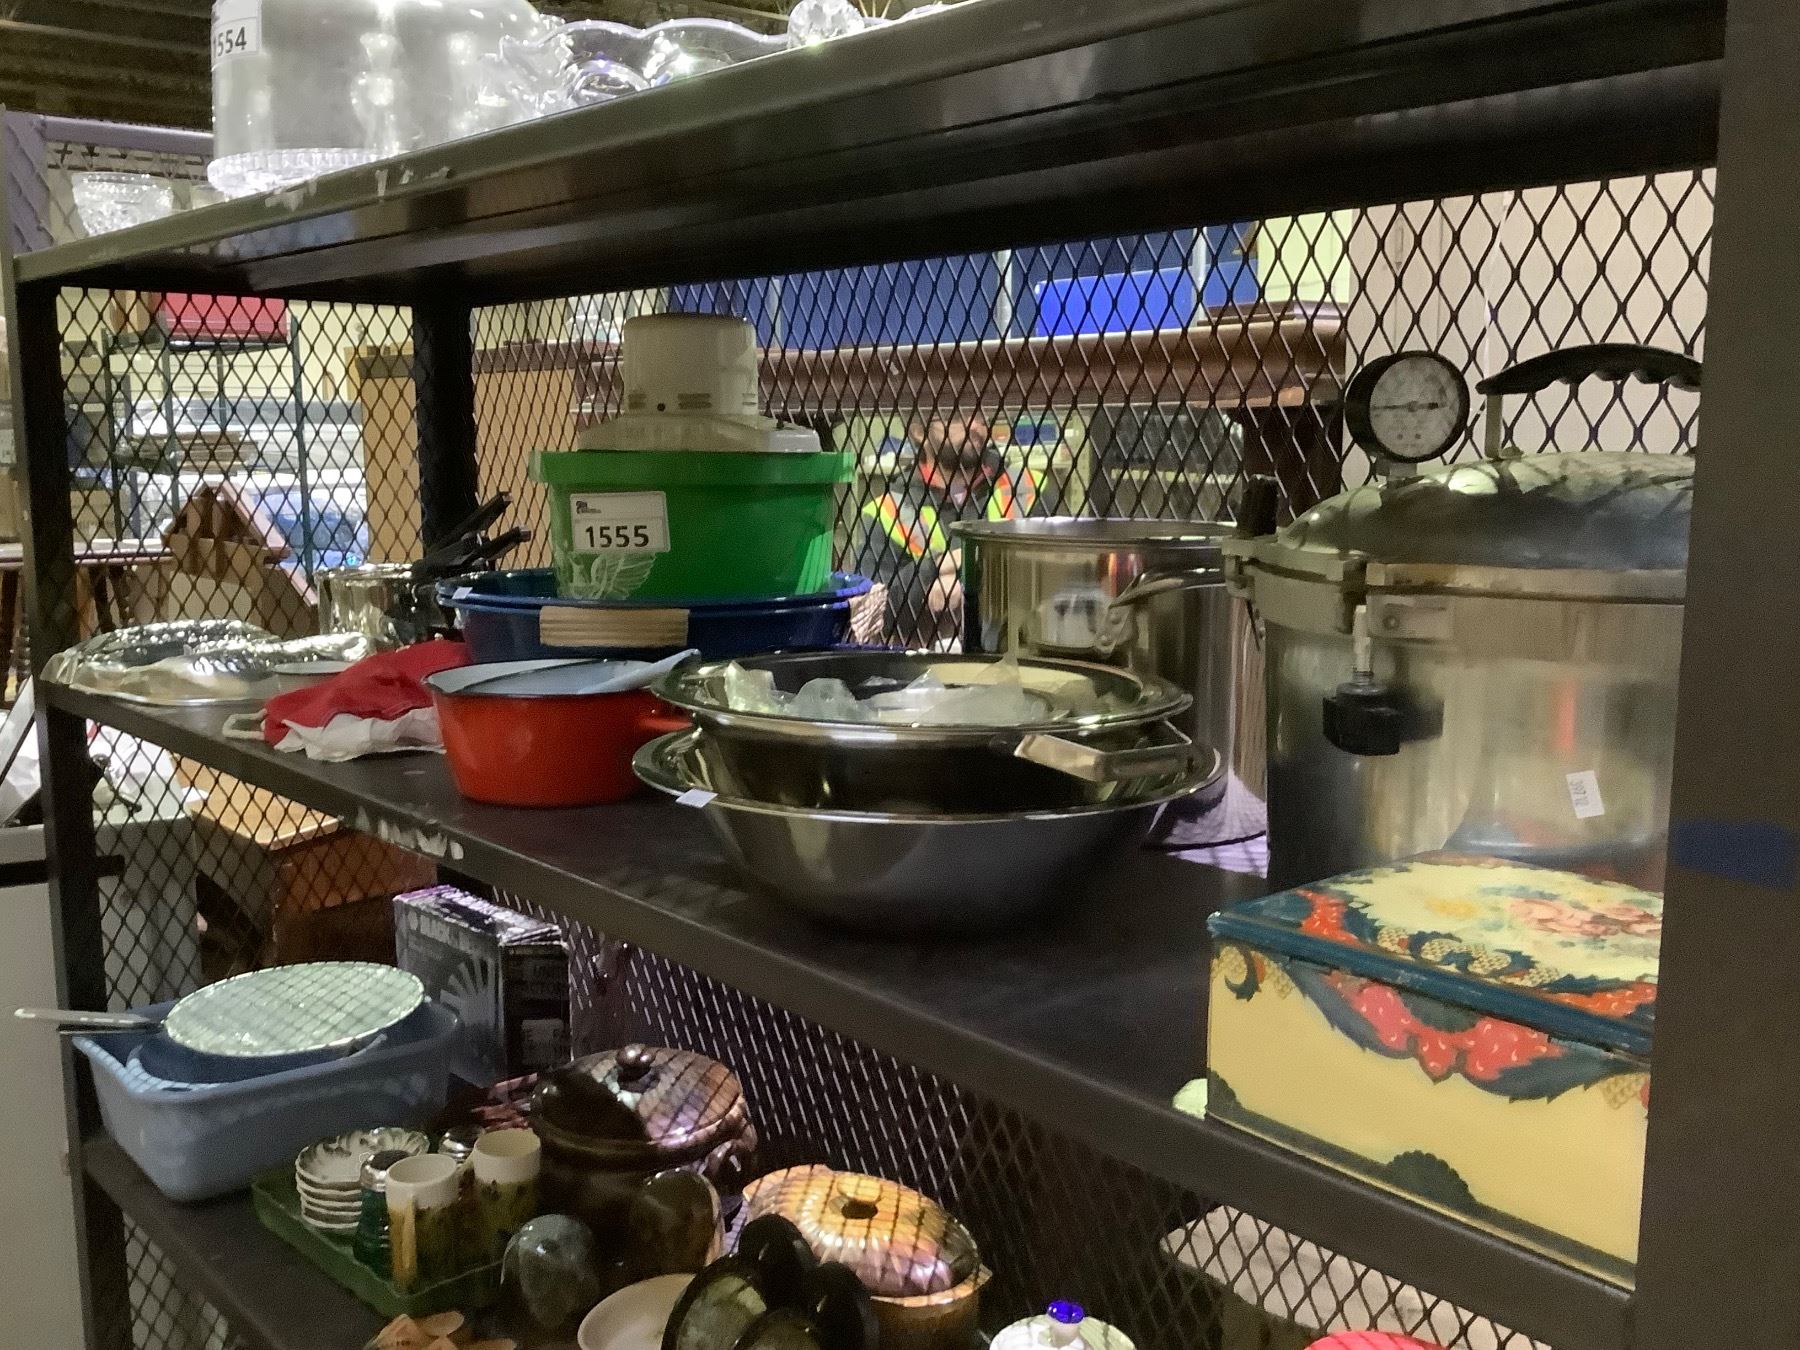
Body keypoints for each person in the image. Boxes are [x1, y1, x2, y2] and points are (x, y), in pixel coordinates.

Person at [851, 411, 1040, 648]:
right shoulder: (886, 511)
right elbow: (870, 612)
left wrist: (967, 566)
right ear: (919, 432)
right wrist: (934, 570)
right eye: (957, 416)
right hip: (929, 660)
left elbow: (1060, 580)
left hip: (1022, 652)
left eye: (982, 414)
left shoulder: (1029, 488)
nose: (975, 425)